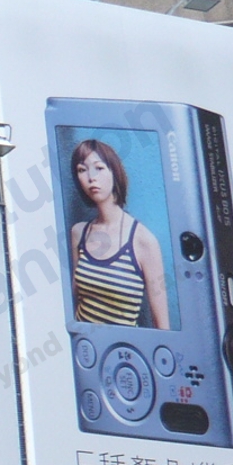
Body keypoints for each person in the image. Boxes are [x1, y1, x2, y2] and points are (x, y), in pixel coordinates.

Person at [68, 138, 169, 330]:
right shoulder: (79, 233)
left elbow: (162, 327)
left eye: (99, 168)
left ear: (114, 172)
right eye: (82, 170)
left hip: (124, 346)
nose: (91, 177)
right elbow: (75, 299)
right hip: (84, 344)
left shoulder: (143, 240)